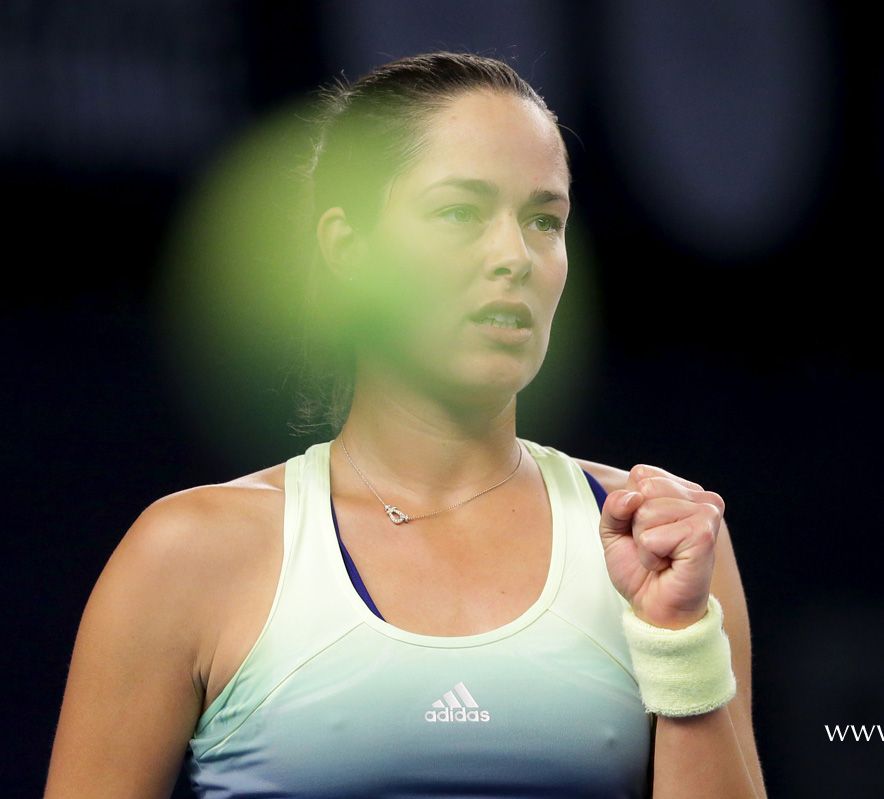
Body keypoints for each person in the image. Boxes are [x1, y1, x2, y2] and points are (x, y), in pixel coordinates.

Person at [44, 52, 766, 798]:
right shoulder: (186, 555)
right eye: (459, 212)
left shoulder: (664, 543)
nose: (513, 256)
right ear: (349, 247)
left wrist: (677, 641)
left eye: (543, 220)